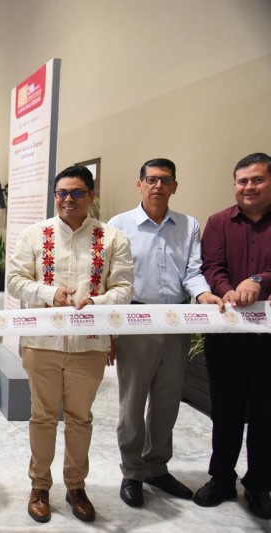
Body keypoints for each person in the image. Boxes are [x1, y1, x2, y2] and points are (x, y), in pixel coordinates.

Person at [7, 164, 133, 523]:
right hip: (42, 343)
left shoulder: (112, 238)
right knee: (42, 417)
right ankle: (40, 486)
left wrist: (96, 301)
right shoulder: (34, 234)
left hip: (89, 345)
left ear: (91, 196)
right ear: (55, 196)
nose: (68, 199)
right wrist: (49, 294)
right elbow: (15, 280)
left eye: (77, 193)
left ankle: (76, 487)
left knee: (80, 419)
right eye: (62, 192)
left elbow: (124, 288)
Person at [108, 158, 223, 508]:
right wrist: (108, 331)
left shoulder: (189, 225)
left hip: (176, 320)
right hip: (135, 319)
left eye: (165, 180)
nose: (158, 185)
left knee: (167, 401)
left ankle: (157, 467)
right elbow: (110, 279)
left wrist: (204, 295)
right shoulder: (119, 225)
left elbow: (193, 271)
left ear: (174, 186)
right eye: (151, 179)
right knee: (132, 402)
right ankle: (132, 471)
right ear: (139, 184)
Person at [194, 152, 271, 520]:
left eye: (257, 180)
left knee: (266, 412)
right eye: (243, 181)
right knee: (225, 410)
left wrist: (258, 281)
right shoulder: (218, 222)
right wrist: (227, 291)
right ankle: (222, 478)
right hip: (227, 332)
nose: (249, 187)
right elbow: (212, 266)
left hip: (268, 337)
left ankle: (259, 485)